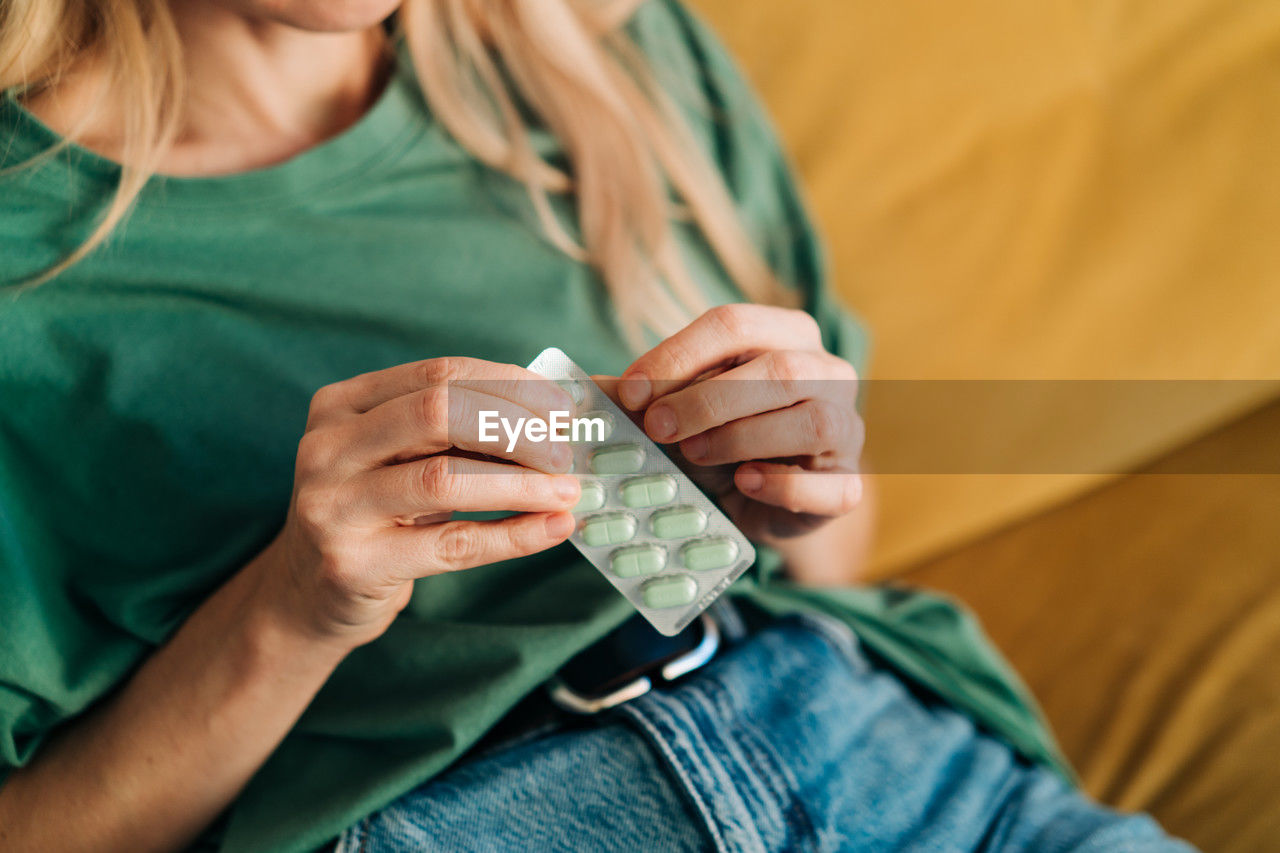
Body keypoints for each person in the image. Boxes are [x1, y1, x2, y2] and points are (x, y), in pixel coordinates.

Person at [0, 1, 1193, 850]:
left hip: (871, 750)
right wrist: (290, 606)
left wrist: (781, 481)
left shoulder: (596, 47)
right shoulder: (24, 259)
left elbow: (830, 551)